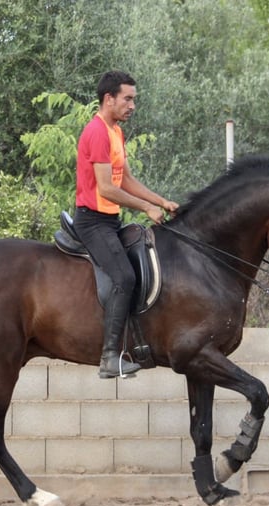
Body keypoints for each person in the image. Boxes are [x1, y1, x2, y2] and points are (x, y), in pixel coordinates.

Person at [74, 70, 179, 379]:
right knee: (124, 276)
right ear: (110, 99)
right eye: (128, 99)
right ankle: (109, 357)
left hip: (110, 220)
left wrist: (160, 201)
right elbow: (106, 188)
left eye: (134, 99)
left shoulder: (115, 131)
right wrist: (146, 207)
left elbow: (127, 180)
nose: (133, 105)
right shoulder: (96, 132)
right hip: (93, 223)